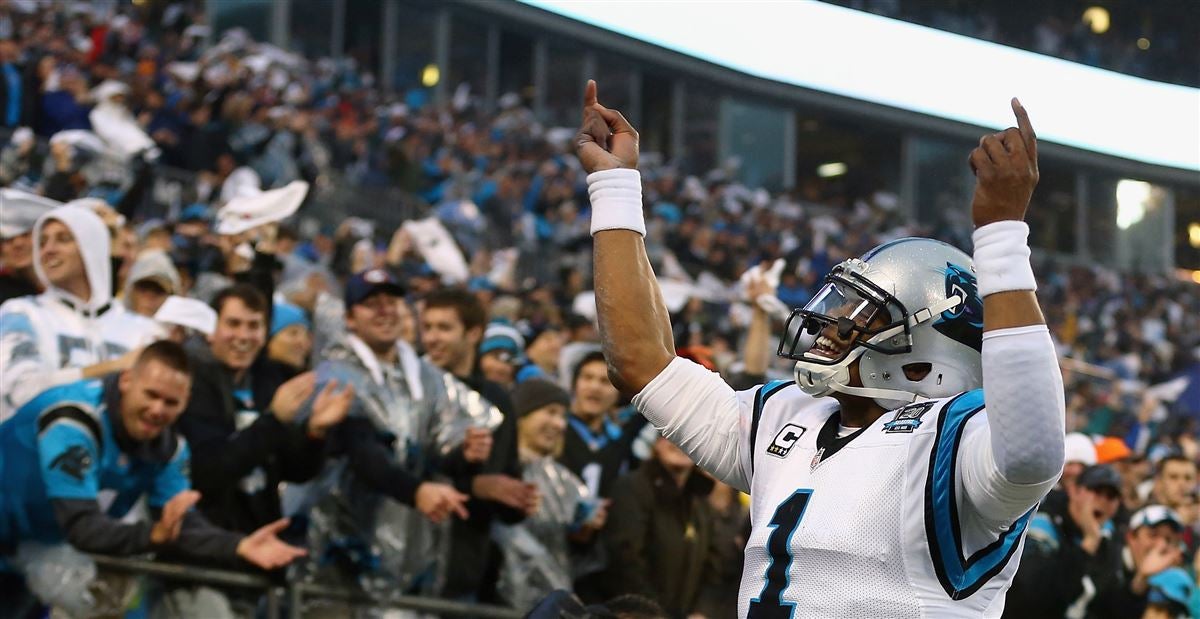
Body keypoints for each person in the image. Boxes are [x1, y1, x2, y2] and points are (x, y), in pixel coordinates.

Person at [577, 79, 1064, 616]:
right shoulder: (783, 414)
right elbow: (640, 362)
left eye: (863, 315)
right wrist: (615, 188)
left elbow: (1032, 453)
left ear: (925, 355)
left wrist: (1000, 235)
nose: (830, 324)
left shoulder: (958, 442)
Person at [0, 342, 306, 615]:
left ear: (186, 401)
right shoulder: (73, 418)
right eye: (151, 394)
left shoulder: (171, 448)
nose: (157, 410)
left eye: (171, 402)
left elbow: (180, 524)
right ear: (126, 380)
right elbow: (82, 526)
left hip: (27, 549)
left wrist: (237, 546)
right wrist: (151, 536)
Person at [286, 269, 480, 598]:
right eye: (371, 303)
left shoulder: (425, 378)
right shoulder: (336, 376)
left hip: (404, 561)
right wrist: (417, 491)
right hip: (337, 557)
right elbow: (364, 453)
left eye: (391, 301)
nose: (385, 310)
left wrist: (464, 452)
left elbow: (434, 450)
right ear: (349, 318)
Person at [175, 284, 352, 541]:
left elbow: (295, 470)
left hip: (261, 538)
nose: (244, 336)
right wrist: (273, 421)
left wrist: (315, 433)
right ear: (211, 331)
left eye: (254, 326)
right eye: (233, 324)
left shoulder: (267, 382)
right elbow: (206, 472)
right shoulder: (191, 383)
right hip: (204, 544)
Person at [418, 287, 538, 601]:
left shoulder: (496, 399)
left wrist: (518, 503)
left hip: (466, 569)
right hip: (409, 560)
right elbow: (407, 468)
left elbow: (505, 477)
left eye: (444, 328)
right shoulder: (414, 389)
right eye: (427, 327)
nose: (432, 338)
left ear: (472, 333)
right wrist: (475, 485)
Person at [0, 204, 162, 423]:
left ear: (92, 245)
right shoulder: (21, 313)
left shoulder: (144, 330)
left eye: (64, 239)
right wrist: (113, 368)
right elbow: (19, 392)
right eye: (42, 242)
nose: (48, 249)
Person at [494, 378, 607, 611]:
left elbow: (576, 556)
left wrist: (585, 533)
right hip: (496, 600)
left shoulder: (564, 480)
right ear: (522, 415)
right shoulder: (498, 468)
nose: (559, 424)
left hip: (548, 604)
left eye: (563, 416)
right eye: (550, 412)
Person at [602, 431, 718, 617]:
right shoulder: (631, 488)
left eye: (689, 438)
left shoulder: (700, 501)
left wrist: (701, 611)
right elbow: (625, 560)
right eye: (671, 435)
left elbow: (713, 565)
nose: (680, 442)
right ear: (656, 443)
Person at [1004, 464, 1124, 618]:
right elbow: (1032, 597)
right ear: (1074, 490)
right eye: (1097, 491)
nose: (1103, 501)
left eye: (1111, 497)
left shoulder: (1109, 540)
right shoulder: (1041, 523)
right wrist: (1087, 547)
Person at [1089, 505, 1188, 619]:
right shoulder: (1104, 557)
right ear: (1131, 537)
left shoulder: (1163, 578)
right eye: (1153, 535)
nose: (1161, 545)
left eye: (1169, 540)